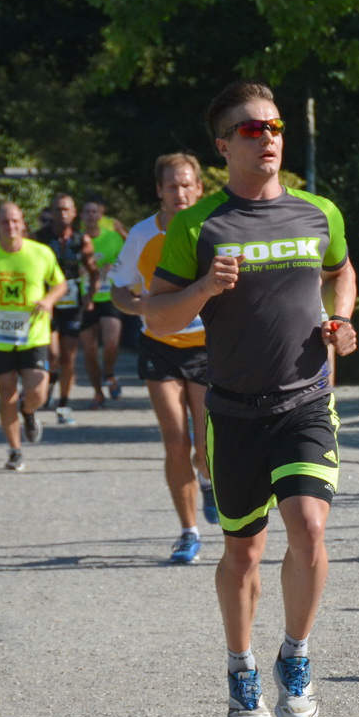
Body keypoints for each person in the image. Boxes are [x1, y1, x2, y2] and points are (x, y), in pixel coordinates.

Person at [148, 80, 357, 717]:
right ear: (223, 146)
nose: (266, 138)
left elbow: (341, 269)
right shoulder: (196, 224)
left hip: (306, 401)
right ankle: (241, 668)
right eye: (250, 129)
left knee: (311, 528)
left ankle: (294, 654)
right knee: (244, 550)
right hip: (234, 408)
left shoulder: (319, 212)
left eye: (273, 126)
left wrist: (342, 320)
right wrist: (206, 286)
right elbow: (158, 316)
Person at [109, 153, 218, 564]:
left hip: (208, 347)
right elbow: (119, 288)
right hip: (160, 345)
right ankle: (188, 532)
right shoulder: (141, 234)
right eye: (172, 186)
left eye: (187, 184)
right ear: (159, 191)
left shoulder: (216, 227)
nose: (180, 193)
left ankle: (207, 478)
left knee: (207, 445)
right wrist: (141, 308)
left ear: (199, 188)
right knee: (176, 440)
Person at [0, 202, 67, 471]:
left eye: (15, 221)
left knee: (38, 393)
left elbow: (61, 284)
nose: (11, 226)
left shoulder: (41, 253)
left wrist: (48, 300)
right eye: (5, 221)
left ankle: (29, 411)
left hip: (34, 334)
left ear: (23, 224)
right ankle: (14, 450)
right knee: (6, 393)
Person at [36, 192, 96, 422]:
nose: (61, 214)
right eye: (57, 209)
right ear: (51, 212)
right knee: (52, 354)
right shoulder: (39, 238)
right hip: (47, 303)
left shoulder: (82, 240)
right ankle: (51, 380)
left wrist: (89, 296)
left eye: (66, 210)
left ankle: (63, 403)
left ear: (73, 213)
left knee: (68, 357)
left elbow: (92, 272)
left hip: (72, 303)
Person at [80, 196, 127, 405]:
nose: (91, 216)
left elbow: (127, 261)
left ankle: (108, 373)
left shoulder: (113, 237)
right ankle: (98, 392)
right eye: (87, 212)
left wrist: (113, 268)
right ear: (81, 216)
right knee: (89, 351)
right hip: (85, 298)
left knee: (111, 341)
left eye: (94, 212)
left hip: (109, 296)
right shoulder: (76, 239)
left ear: (101, 215)